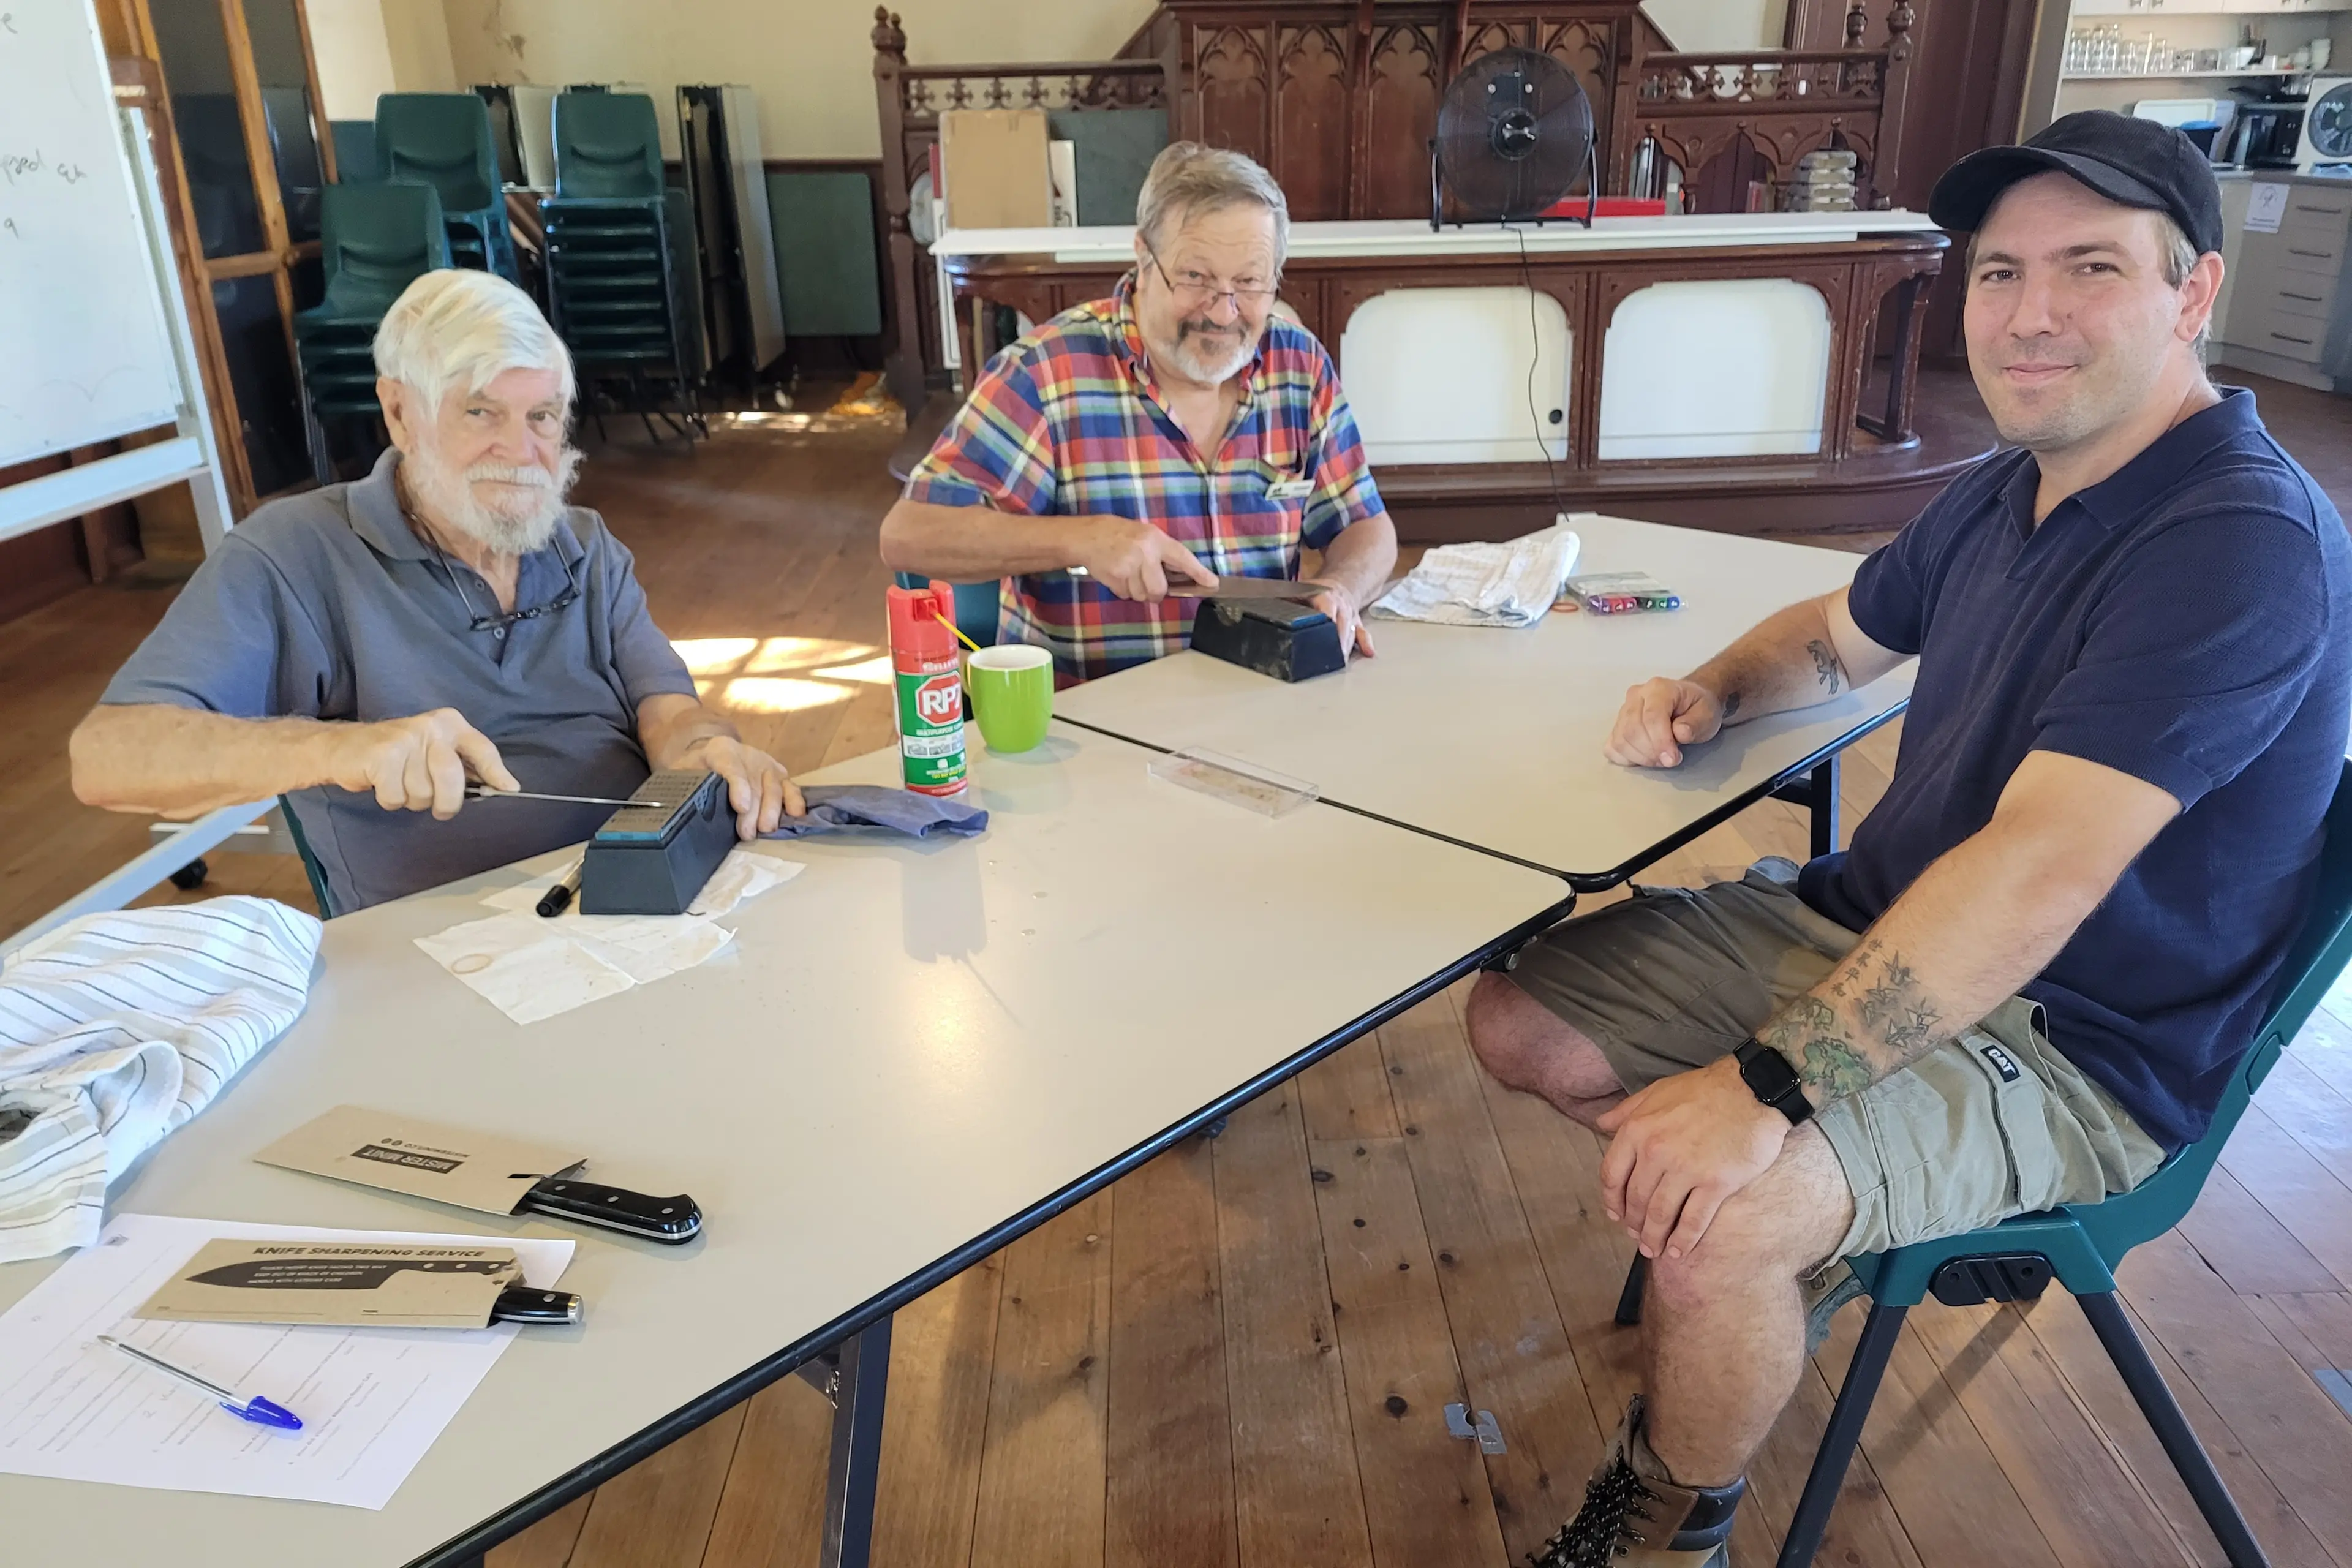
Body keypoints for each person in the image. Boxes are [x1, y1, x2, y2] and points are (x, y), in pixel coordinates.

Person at [1464, 111, 2352, 1567]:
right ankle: (1818, 1226)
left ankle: (1664, 1524)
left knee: (1719, 1215)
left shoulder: (2233, 539)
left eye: (2087, 268)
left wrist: (1766, 1085)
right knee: (1518, 1015)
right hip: (1871, 925)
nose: (2029, 315)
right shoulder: (2020, 477)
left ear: (2191, 293)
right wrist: (1712, 686)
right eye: (1997, 274)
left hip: (2073, 1040)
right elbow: (1832, 635)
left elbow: (2040, 871)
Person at [71, 269, 802, 916]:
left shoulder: (583, 543)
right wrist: (345, 748)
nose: (522, 453)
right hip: (447, 946)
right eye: (481, 413)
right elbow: (108, 756)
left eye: (542, 417)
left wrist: (707, 750)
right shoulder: (294, 554)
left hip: (646, 898)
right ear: (399, 413)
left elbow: (666, 709)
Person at [878, 141, 1397, 682]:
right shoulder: (1046, 374)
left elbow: (1366, 527)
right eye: (1195, 278)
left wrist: (1341, 589)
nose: (1224, 312)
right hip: (1089, 721)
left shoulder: (1298, 364)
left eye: (1249, 282)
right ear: (1144, 258)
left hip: (1258, 699)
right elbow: (908, 534)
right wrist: (1078, 538)